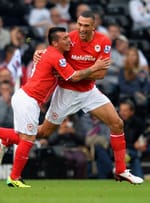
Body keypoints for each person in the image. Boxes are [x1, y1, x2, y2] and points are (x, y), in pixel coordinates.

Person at [0, 27, 110, 188]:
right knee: (28, 139)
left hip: (27, 98)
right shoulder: (55, 56)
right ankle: (10, 170)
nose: (69, 40)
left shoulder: (49, 53)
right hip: (28, 100)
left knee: (25, 137)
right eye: (65, 38)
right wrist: (95, 66)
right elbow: (74, 77)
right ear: (55, 42)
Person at [35, 11, 144, 184]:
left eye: (86, 25)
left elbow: (101, 74)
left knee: (117, 124)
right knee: (43, 132)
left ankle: (121, 170)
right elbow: (52, 54)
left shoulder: (103, 41)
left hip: (88, 92)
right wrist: (39, 54)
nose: (81, 29)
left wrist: (77, 74)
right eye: (79, 24)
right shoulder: (69, 38)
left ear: (94, 26)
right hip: (66, 93)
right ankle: (3, 137)